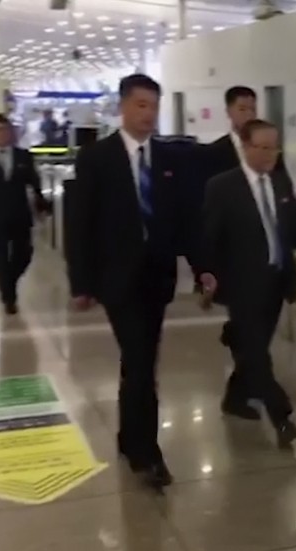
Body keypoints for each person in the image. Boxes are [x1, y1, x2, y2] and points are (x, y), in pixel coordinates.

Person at [66, 73, 217, 490]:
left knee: (139, 362)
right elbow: (79, 224)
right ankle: (147, 454)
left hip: (157, 277)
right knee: (141, 361)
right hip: (117, 280)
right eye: (140, 105)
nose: (148, 115)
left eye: (153, 106)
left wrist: (203, 266)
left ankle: (127, 436)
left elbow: (187, 220)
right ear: (123, 107)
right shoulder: (97, 157)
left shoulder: (171, 159)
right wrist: (81, 283)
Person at [201, 118, 296, 447]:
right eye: (264, 147)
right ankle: (281, 417)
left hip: (276, 281)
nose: (271, 153)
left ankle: (234, 398)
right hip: (241, 286)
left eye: (275, 147)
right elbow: (209, 238)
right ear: (246, 147)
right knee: (257, 353)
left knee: (253, 350)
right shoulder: (223, 187)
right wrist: (207, 276)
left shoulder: (281, 184)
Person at [200, 85, 294, 421]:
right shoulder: (214, 156)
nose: (248, 113)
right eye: (242, 108)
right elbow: (208, 222)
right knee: (253, 344)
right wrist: (207, 271)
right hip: (237, 270)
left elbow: (290, 214)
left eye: (252, 107)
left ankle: (236, 395)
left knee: (255, 342)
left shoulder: (273, 161)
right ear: (229, 112)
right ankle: (277, 407)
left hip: (271, 268)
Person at [0, 114, 45, 315]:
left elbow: (34, 182)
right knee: (0, 256)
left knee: (24, 254)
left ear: (10, 131)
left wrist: (41, 204)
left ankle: (9, 281)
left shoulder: (23, 156)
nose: (1, 134)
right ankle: (8, 297)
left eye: (4, 129)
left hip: (19, 213)